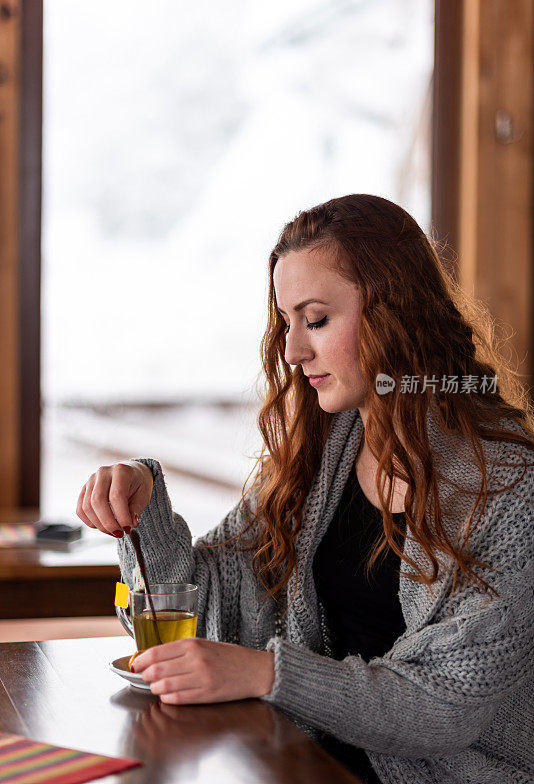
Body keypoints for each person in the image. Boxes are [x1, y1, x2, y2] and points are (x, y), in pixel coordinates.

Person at [76, 194, 534, 784]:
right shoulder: (323, 451)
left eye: (315, 320)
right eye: (287, 323)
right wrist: (145, 505)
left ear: (397, 315)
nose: (292, 351)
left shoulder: (509, 487)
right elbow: (212, 610)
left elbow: (442, 704)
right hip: (307, 760)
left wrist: (267, 674)